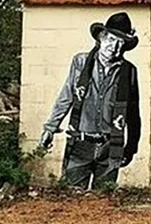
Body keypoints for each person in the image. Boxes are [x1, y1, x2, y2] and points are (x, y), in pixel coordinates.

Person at [38, 12, 141, 189]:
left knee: (103, 204)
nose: (114, 46)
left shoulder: (129, 71)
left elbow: (133, 114)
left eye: (120, 42)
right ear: (100, 38)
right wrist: (50, 128)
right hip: (80, 143)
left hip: (111, 146)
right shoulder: (81, 62)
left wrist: (131, 147)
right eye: (110, 39)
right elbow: (66, 97)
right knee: (71, 199)